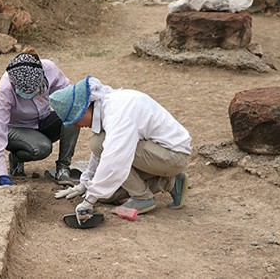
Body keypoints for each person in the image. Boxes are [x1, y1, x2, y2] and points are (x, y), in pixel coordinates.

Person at [51, 76, 191, 224]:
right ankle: (171, 182)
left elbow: (114, 158)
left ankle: (142, 197)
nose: (76, 126)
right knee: (106, 196)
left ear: (84, 109)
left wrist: (88, 201)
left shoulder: (117, 112)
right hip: (155, 155)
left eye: (74, 121)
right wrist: (84, 184)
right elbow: (100, 155)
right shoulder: (105, 108)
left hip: (173, 156)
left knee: (100, 147)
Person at [0, 47, 80, 186]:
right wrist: (2, 175)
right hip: (16, 129)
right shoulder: (5, 88)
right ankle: (16, 157)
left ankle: (62, 169)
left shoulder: (49, 69)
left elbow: (68, 96)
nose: (29, 94)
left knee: (73, 115)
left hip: (43, 120)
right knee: (42, 148)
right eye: (24, 91)